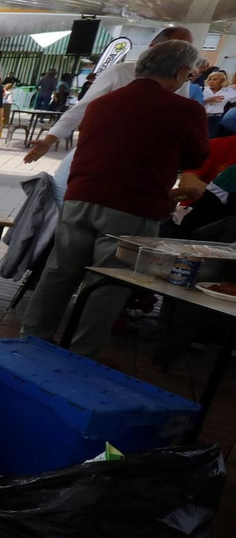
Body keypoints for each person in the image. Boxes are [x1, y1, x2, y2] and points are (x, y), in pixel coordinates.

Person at [21, 39, 208, 356]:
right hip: (133, 206)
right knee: (106, 285)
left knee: (59, 273)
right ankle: (81, 355)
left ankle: (30, 339)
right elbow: (196, 155)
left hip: (80, 197)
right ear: (181, 72)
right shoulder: (186, 109)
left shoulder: (103, 103)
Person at [24, 26, 197, 198]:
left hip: (137, 170)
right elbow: (82, 108)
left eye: (186, 49)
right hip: (94, 161)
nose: (180, 53)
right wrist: (49, 139)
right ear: (153, 46)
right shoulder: (120, 72)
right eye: (175, 46)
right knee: (64, 212)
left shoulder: (180, 84)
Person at [201, 68, 235, 136]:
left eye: (215, 79)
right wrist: (209, 100)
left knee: (209, 137)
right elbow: (194, 102)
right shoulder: (202, 89)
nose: (211, 81)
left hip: (215, 118)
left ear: (222, 81)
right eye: (210, 79)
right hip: (201, 115)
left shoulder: (227, 91)